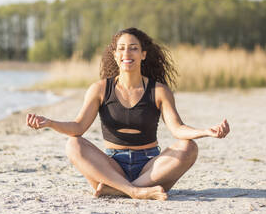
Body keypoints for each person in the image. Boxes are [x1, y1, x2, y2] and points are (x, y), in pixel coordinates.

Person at [26, 27, 230, 200]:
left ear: (143, 54)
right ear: (115, 55)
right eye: (121, 49)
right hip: (111, 166)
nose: (127, 53)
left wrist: (207, 132)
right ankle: (134, 191)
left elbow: (177, 128)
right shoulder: (99, 89)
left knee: (189, 148)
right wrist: (49, 122)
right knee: (73, 144)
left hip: (150, 168)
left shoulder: (158, 91)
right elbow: (78, 127)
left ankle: (118, 189)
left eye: (133, 48)